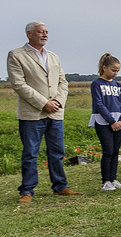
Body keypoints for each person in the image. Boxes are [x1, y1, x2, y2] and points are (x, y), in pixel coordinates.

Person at [7, 21, 77, 202]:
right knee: (30, 152)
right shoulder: (16, 55)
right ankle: (27, 190)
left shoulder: (53, 56)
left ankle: (60, 186)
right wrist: (44, 103)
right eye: (40, 32)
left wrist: (58, 102)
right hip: (32, 114)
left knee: (57, 151)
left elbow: (63, 82)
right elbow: (19, 84)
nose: (45, 34)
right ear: (29, 34)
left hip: (55, 113)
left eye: (46, 32)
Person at [90, 53, 121, 191]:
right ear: (104, 67)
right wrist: (111, 121)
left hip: (118, 121)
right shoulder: (96, 84)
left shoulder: (118, 85)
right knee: (108, 150)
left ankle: (113, 178)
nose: (115, 73)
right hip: (103, 122)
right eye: (113, 70)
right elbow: (99, 104)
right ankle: (105, 181)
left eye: (117, 71)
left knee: (115, 151)